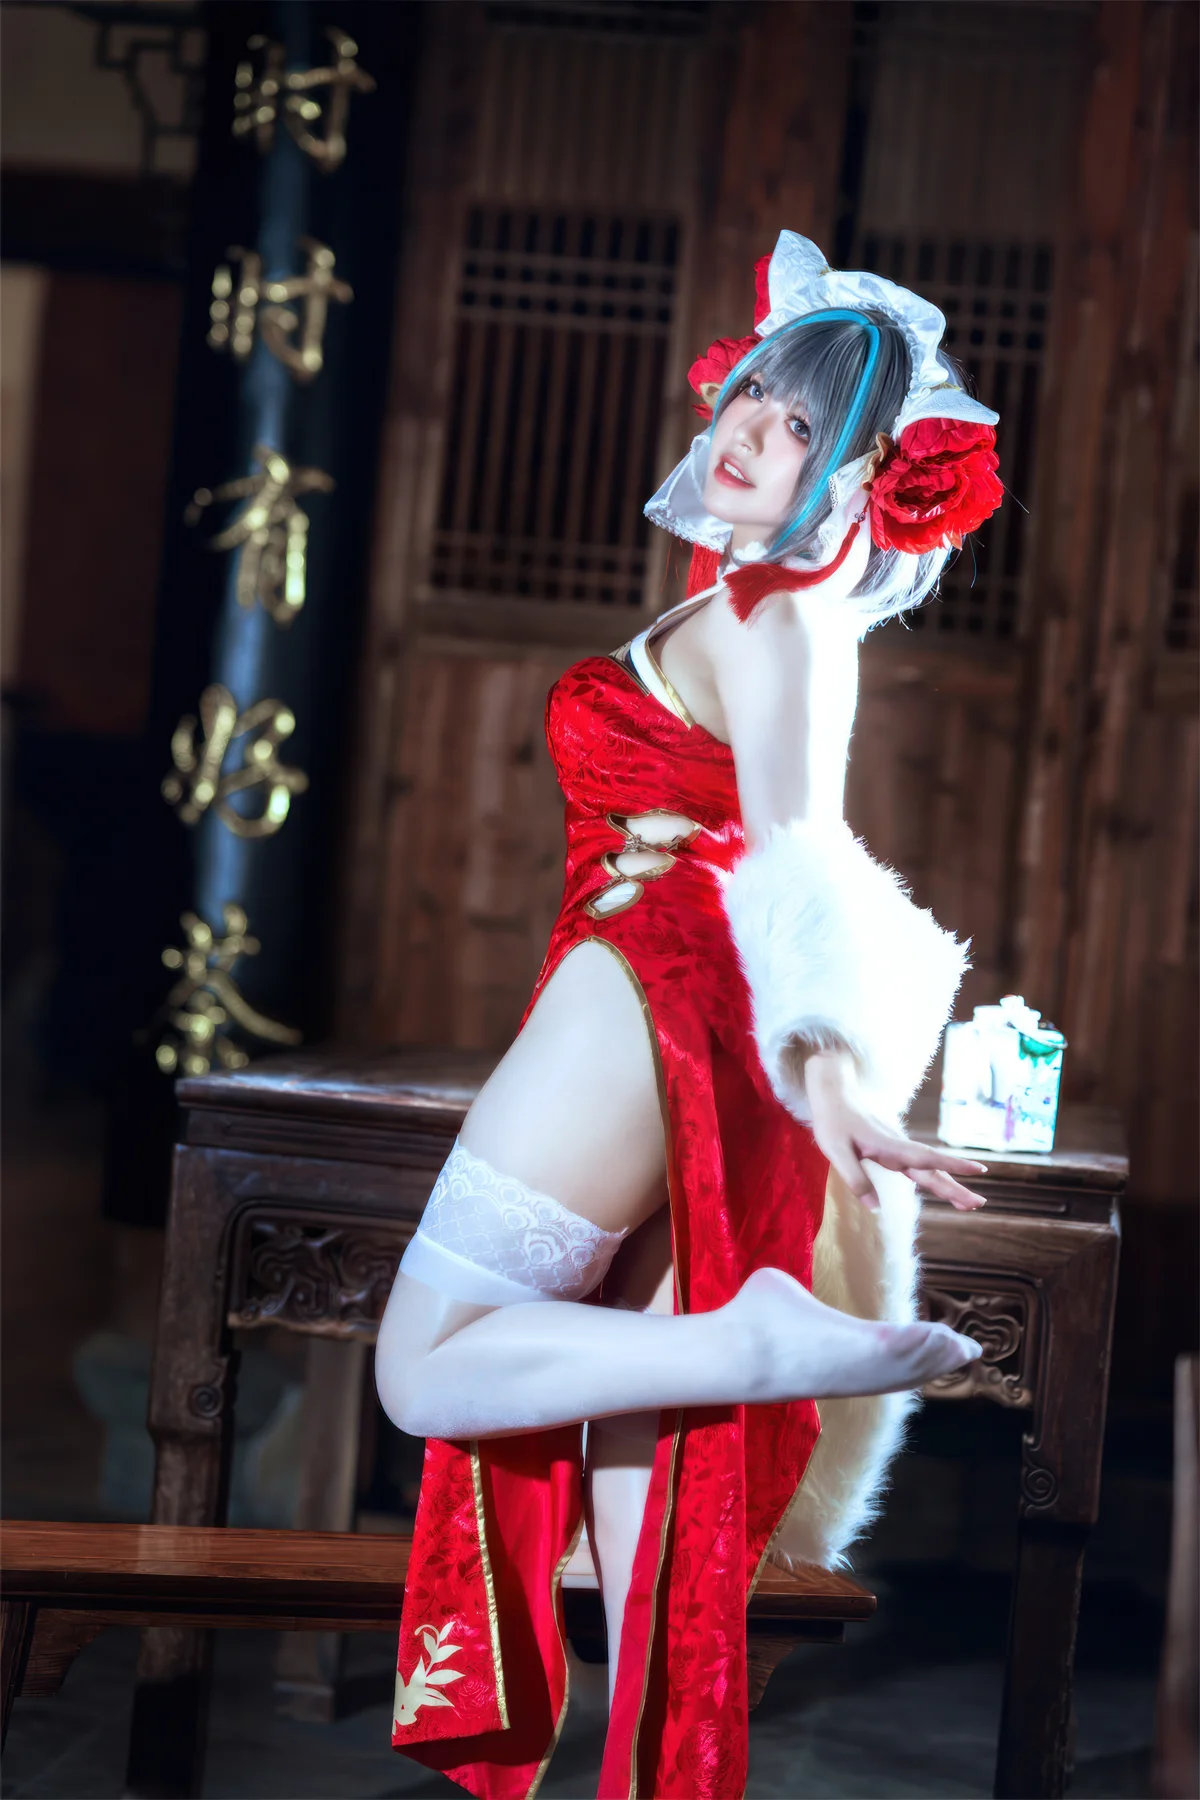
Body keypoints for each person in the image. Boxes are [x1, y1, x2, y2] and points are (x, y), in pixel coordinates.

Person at [375, 231, 1006, 1800]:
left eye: (799, 427)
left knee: (419, 1370)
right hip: (643, 1000)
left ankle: (743, 1337)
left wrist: (830, 1070)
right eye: (753, 399)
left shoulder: (781, 619)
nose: (748, 433)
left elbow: (803, 855)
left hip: (644, 994)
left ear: (855, 480)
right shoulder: (747, 599)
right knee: (635, 1514)